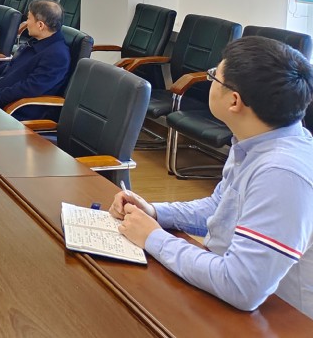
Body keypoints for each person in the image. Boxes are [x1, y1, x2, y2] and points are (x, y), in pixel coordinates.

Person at [109, 36, 313, 318]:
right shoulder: (255, 141)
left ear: (234, 101)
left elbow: (241, 286)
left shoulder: (282, 174)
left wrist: (153, 237)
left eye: (214, 76)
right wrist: (155, 212)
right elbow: (220, 209)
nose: (210, 80)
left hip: (275, 318)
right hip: (224, 294)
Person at [0, 0, 70, 120]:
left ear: (40, 25)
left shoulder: (57, 55)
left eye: (28, 19)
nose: (26, 23)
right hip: (0, 98)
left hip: (15, 110)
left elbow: (29, 88)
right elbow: (14, 65)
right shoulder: (39, 41)